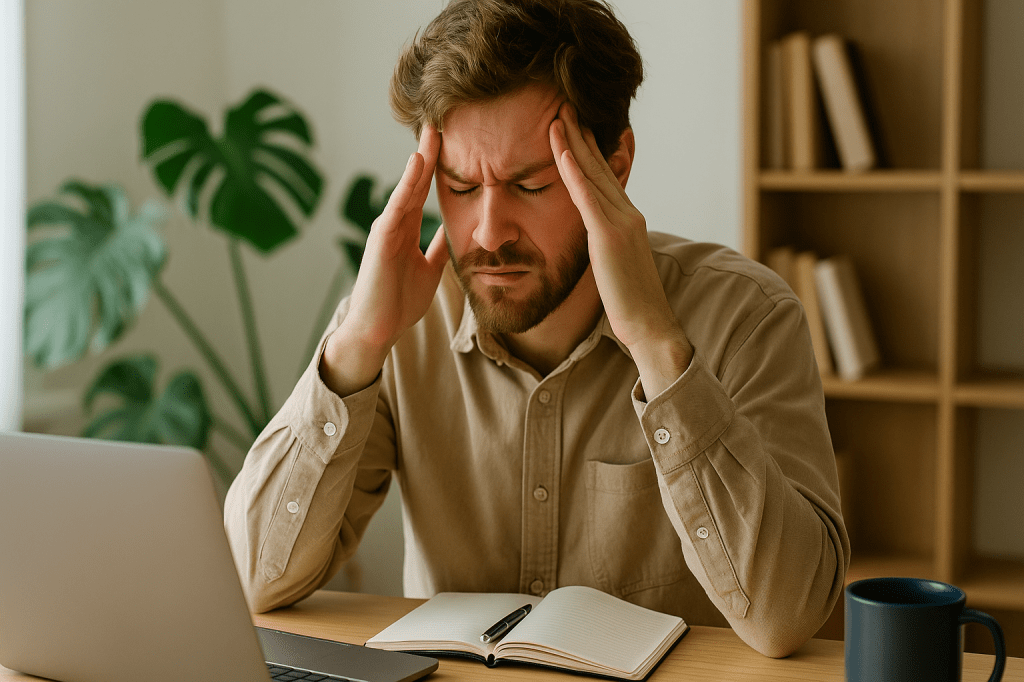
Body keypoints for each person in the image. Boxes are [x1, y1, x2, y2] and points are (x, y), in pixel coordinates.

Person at [224, 0, 849, 658]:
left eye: (528, 184)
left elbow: (786, 617)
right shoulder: (400, 322)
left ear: (616, 165)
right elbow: (251, 580)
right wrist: (356, 348)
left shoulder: (746, 317)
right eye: (461, 186)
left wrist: (660, 351)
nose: (489, 233)